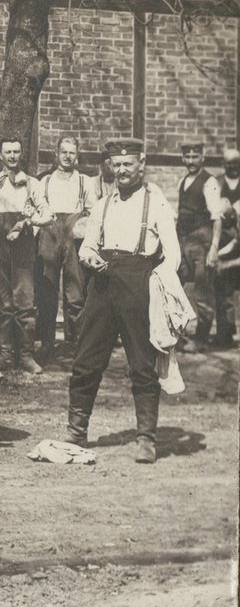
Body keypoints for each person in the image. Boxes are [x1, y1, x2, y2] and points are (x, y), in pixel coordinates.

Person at [68, 138, 180, 464]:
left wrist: (156, 283)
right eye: (115, 164)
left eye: (127, 164)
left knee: (143, 364)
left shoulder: (156, 204)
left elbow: (173, 255)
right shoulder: (103, 204)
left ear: (141, 164)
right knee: (86, 359)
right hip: (102, 284)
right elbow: (87, 245)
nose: (121, 170)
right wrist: (90, 257)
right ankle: (76, 430)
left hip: (139, 284)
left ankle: (146, 438)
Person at [0, 138, 53, 374]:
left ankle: (26, 356)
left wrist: (28, 221)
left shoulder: (32, 184)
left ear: (21, 154)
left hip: (23, 248)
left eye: (16, 152)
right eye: (8, 152)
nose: (13, 156)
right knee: (1, 301)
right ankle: (5, 355)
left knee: (25, 302)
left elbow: (48, 214)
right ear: (1, 156)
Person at [35, 136, 94, 361]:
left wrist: (81, 225)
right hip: (49, 234)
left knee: (75, 291)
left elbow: (93, 212)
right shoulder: (45, 181)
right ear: (56, 153)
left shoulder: (84, 182)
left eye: (72, 152)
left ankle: (74, 343)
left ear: (77, 155)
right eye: (64, 152)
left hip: (74, 236)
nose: (68, 156)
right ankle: (47, 343)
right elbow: (37, 208)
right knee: (47, 290)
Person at [174, 141, 226, 352]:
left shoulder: (209, 182)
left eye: (195, 157)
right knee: (174, 287)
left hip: (202, 243)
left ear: (202, 158)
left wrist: (214, 248)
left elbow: (217, 218)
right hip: (183, 241)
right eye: (187, 157)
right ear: (183, 159)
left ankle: (202, 339)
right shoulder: (182, 181)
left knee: (203, 293)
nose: (191, 161)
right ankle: (177, 335)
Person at [212, 149, 240, 348]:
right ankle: (225, 332)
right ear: (223, 164)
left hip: (238, 240)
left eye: (236, 162)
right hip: (223, 241)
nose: (232, 166)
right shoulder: (217, 182)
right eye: (228, 163)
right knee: (223, 285)